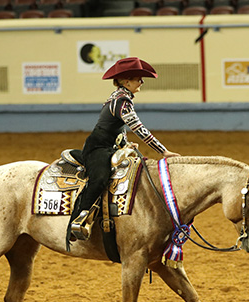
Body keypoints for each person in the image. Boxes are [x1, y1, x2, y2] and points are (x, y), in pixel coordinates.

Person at [68, 57, 180, 244]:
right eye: (138, 79)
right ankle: (79, 219)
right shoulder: (122, 101)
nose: (141, 82)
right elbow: (139, 129)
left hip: (108, 147)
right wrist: (163, 151)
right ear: (126, 81)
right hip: (98, 149)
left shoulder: (120, 98)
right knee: (100, 178)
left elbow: (118, 127)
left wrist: (124, 145)